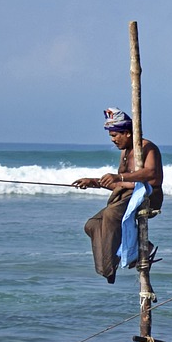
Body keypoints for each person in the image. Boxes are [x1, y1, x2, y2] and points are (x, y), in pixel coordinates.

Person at [71, 108, 165, 283]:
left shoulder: (147, 147)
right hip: (127, 196)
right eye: (111, 136)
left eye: (115, 135)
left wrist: (119, 176)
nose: (113, 140)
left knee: (110, 214)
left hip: (148, 196)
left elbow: (151, 174)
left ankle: (116, 262)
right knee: (92, 225)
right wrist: (93, 182)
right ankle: (109, 266)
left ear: (127, 133)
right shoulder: (124, 153)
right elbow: (121, 184)